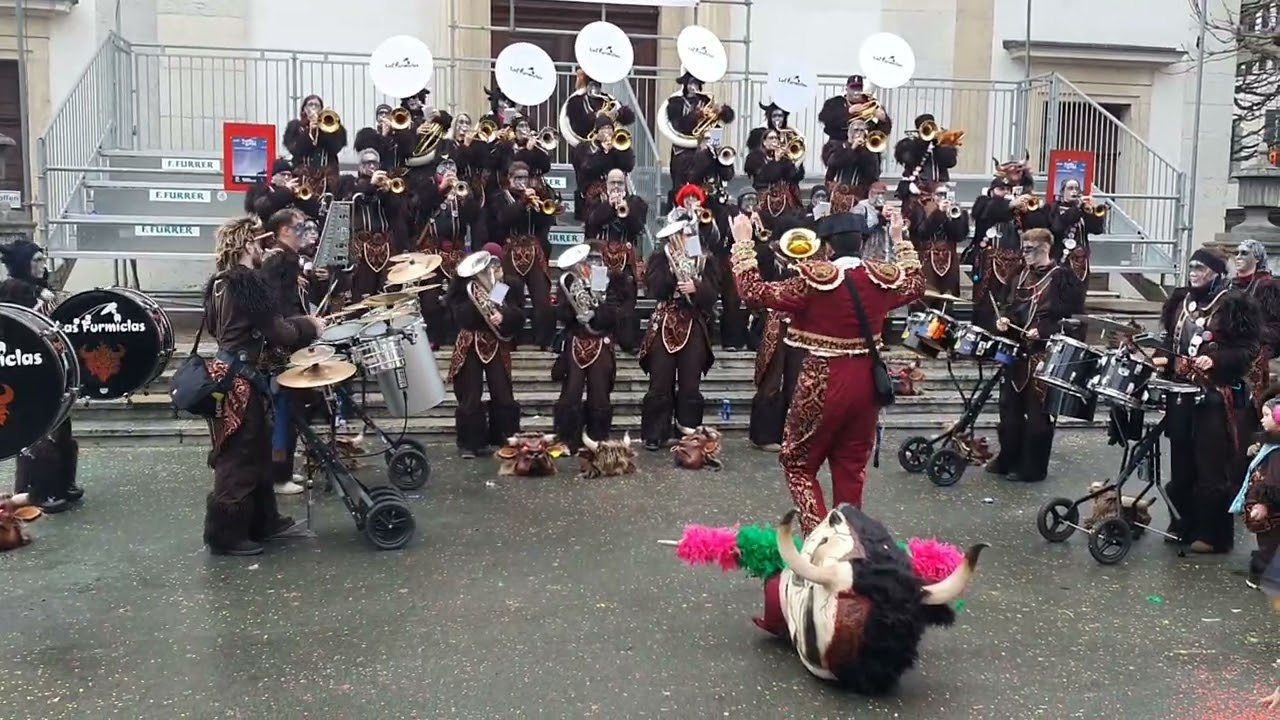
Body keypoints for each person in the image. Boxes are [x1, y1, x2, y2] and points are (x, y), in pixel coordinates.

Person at [728, 207, 924, 535]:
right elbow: (916, 284)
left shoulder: (815, 282)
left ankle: (820, 542)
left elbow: (754, 293)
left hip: (824, 377)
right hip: (867, 383)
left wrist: (744, 244)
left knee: (798, 464)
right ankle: (849, 545)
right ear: (861, 243)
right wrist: (899, 240)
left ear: (828, 247)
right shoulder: (880, 280)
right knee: (850, 468)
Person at [202, 217, 324, 556]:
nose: (261, 248)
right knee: (239, 457)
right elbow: (279, 331)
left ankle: (262, 521)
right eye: (256, 243)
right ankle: (226, 534)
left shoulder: (218, 284)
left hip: (229, 375)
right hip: (241, 381)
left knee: (256, 451)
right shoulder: (246, 283)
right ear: (245, 246)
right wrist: (310, 325)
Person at [1153, 245, 1261, 554]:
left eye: (1201, 269)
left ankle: (1214, 534)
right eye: (1192, 269)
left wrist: (1216, 360)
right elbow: (1168, 341)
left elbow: (1248, 349)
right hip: (1180, 393)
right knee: (1182, 463)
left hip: (1215, 396)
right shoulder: (1179, 302)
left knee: (1211, 466)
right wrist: (1161, 357)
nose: (1194, 274)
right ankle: (1182, 522)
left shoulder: (1232, 305)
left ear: (1215, 273)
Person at [985, 228, 1086, 484]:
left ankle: (1033, 468)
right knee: (1009, 409)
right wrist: (1003, 321)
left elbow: (1074, 320)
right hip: (1017, 351)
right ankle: (1008, 457)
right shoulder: (1018, 276)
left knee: (1038, 414)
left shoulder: (1063, 279)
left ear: (1046, 248)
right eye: (1024, 248)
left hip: (1044, 354)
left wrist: (1042, 330)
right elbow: (1008, 306)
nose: (1026, 254)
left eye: (1031, 249)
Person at [639, 186, 723, 451]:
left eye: (686, 234)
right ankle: (655, 434)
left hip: (693, 322)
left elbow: (713, 293)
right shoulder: (659, 257)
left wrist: (697, 288)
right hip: (666, 318)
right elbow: (654, 288)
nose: (682, 238)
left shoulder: (705, 259)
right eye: (679, 233)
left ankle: (688, 431)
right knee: (660, 381)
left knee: (690, 383)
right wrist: (673, 275)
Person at [0, 241, 81, 513]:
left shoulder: (35, 290)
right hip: (26, 368)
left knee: (59, 425)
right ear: (23, 263)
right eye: (36, 260)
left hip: (47, 365)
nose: (43, 265)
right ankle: (39, 490)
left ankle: (60, 484)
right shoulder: (14, 290)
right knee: (38, 429)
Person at [746, 216, 820, 452]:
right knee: (772, 375)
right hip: (776, 321)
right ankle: (765, 435)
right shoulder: (767, 256)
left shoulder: (811, 259)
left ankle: (793, 433)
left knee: (797, 376)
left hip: (801, 323)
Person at [552, 243, 635, 451]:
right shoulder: (569, 282)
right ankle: (569, 439)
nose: (587, 265)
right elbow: (561, 312)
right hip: (576, 340)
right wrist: (573, 314)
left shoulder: (605, 279)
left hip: (600, 341)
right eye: (587, 260)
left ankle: (597, 437)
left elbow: (615, 310)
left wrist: (595, 315)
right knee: (571, 392)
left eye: (592, 260)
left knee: (599, 393)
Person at [448, 248, 527, 458]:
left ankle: (504, 437)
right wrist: (480, 307)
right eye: (486, 269)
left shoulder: (501, 288)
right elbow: (460, 315)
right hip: (470, 341)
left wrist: (504, 316)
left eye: (493, 267)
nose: (490, 271)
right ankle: (470, 443)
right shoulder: (465, 288)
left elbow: (518, 313)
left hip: (495, 342)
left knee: (503, 392)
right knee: (470, 394)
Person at [967, 164, 1049, 332]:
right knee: (986, 302)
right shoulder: (984, 202)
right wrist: (1011, 204)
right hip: (990, 262)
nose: (1005, 192)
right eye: (1001, 189)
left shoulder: (1023, 207)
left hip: (1018, 264)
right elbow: (984, 212)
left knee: (1012, 302)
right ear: (991, 190)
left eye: (1009, 189)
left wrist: (1029, 211)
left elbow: (1040, 228)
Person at [413, 155, 482, 347]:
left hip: (456, 249)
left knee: (459, 295)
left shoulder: (463, 188)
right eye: (444, 169)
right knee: (429, 297)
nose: (449, 173)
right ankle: (435, 337)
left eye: (452, 169)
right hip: (432, 249)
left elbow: (475, 217)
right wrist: (440, 189)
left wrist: (466, 199)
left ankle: (456, 335)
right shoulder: (427, 187)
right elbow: (417, 207)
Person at [489, 160, 557, 349]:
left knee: (542, 298)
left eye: (525, 178)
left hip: (534, 250)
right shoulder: (499, 197)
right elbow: (502, 219)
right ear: (509, 179)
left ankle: (543, 341)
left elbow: (547, 222)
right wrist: (522, 203)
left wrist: (538, 205)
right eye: (517, 178)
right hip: (510, 249)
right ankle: (511, 339)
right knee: (510, 295)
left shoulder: (538, 195)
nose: (522, 182)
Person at [583, 168, 646, 353]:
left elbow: (638, 227)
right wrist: (609, 207)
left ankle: (628, 340)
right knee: (602, 298)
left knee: (627, 301)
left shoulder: (636, 202)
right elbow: (592, 223)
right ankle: (603, 335)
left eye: (620, 182)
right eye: (613, 182)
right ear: (606, 184)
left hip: (625, 258)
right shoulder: (596, 201)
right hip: (601, 258)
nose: (616, 186)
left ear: (625, 182)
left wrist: (625, 209)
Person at [658, 68, 735, 212]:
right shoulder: (676, 102)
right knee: (685, 181)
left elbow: (724, 119)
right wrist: (697, 115)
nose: (693, 87)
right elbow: (678, 125)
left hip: (707, 143)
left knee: (714, 163)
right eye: (690, 83)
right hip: (684, 147)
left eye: (696, 83)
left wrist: (722, 110)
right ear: (685, 84)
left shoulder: (706, 100)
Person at [337, 147, 409, 302]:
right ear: (360, 166)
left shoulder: (386, 185)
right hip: (360, 245)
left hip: (385, 245)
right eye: (368, 163)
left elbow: (397, 212)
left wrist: (387, 194)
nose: (372, 167)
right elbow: (352, 201)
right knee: (362, 293)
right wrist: (370, 186)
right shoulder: (349, 183)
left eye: (375, 163)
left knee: (388, 291)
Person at [1232, 389, 1280, 589]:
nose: (1262, 420)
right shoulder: (1270, 445)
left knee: (1270, 545)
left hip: (1270, 507)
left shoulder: (1276, 453)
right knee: (1269, 544)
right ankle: (1261, 575)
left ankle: (1264, 576)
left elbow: (1273, 482)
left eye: (1267, 415)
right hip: (1269, 506)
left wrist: (1262, 503)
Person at [1233, 238, 1280, 410]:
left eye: (1244, 253)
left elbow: (1275, 326)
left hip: (1256, 347)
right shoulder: (1230, 285)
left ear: (1257, 258)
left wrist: (1250, 335)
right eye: (1236, 253)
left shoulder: (1267, 286)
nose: (1238, 257)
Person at [910, 182, 969, 306]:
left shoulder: (958, 210)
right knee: (924, 300)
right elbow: (922, 232)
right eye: (940, 194)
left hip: (949, 258)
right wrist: (939, 212)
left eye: (946, 194)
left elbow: (960, 236)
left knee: (946, 301)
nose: (943, 197)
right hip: (926, 258)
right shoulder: (920, 208)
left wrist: (954, 219)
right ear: (932, 195)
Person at [282, 94, 346, 192]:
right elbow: (295, 150)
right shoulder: (295, 127)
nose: (313, 108)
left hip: (327, 176)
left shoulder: (333, 127)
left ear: (322, 110)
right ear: (304, 109)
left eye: (317, 105)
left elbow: (335, 148)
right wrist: (309, 132)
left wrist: (323, 131)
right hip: (303, 176)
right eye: (310, 105)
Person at [744, 127, 805, 229]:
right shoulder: (755, 157)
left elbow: (794, 177)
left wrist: (796, 163)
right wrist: (776, 161)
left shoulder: (784, 157)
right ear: (764, 142)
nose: (774, 141)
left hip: (784, 200)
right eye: (771, 138)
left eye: (776, 138)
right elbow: (767, 176)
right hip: (764, 198)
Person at [1048, 178, 1107, 281]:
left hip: (1080, 260)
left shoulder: (1083, 210)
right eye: (1070, 188)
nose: (1074, 191)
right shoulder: (1054, 208)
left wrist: (1095, 214)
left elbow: (1097, 230)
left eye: (1077, 188)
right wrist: (1078, 207)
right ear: (1062, 192)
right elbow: (1057, 227)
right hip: (1061, 257)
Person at [891, 113, 960, 201]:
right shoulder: (911, 146)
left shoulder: (940, 145)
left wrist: (939, 145)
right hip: (916, 187)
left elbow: (950, 162)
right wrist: (922, 143)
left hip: (938, 188)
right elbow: (908, 159)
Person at [822, 119, 882, 214]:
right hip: (838, 194)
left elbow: (873, 174)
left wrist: (865, 152)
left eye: (862, 130)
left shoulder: (870, 151)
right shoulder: (837, 146)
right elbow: (832, 163)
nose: (859, 133)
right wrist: (852, 148)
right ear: (849, 133)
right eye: (856, 130)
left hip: (859, 195)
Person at [243, 158, 322, 224]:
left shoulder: (295, 192)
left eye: (289, 175)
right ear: (273, 178)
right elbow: (262, 208)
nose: (287, 177)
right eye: (283, 174)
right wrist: (286, 191)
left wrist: (302, 199)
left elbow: (314, 211)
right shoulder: (262, 189)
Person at [817, 75, 891, 145]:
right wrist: (848, 112)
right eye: (853, 88)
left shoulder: (872, 104)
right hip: (839, 145)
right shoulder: (835, 102)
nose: (856, 92)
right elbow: (824, 119)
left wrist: (883, 120)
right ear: (846, 89)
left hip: (865, 147)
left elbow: (884, 132)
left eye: (859, 88)